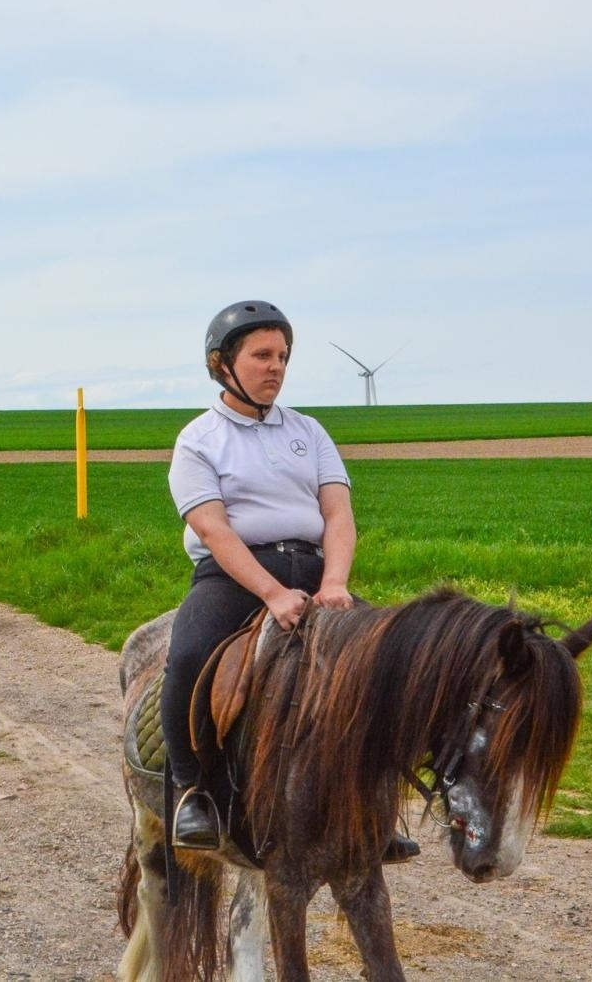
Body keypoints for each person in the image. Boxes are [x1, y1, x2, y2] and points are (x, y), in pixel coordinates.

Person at [159, 300, 386, 855]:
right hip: (233, 577)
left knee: (386, 660)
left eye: (282, 355)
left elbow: (338, 514)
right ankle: (193, 793)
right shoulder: (198, 440)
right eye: (262, 355)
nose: (276, 367)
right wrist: (272, 593)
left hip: (313, 569)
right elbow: (214, 530)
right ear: (221, 364)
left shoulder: (309, 431)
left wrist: (334, 583)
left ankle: (373, 804)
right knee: (189, 653)